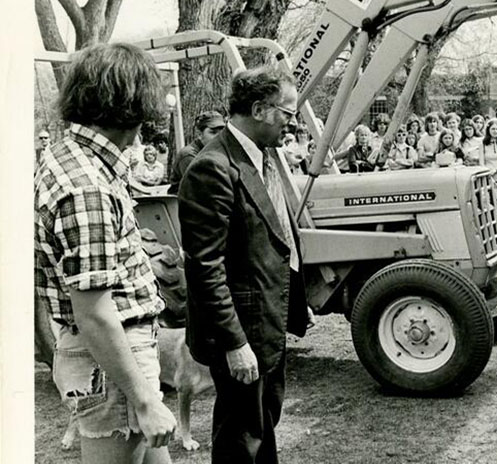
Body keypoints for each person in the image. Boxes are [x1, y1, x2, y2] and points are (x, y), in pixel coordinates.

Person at [34, 43, 176, 464]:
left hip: (116, 354)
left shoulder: (71, 158)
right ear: (131, 106)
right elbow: (93, 312)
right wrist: (145, 402)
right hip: (113, 354)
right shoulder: (87, 186)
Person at [178, 65, 309, 463]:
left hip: (266, 320)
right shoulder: (213, 168)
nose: (292, 123)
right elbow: (205, 268)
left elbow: (277, 240)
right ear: (258, 109)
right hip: (240, 333)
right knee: (241, 438)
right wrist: (236, 344)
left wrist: (294, 302)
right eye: (287, 113)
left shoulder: (263, 159)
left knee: (263, 423)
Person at [169, 110, 225, 193]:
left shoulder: (216, 152)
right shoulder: (188, 155)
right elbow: (201, 188)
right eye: (213, 132)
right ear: (199, 134)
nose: (218, 137)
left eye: (222, 133)